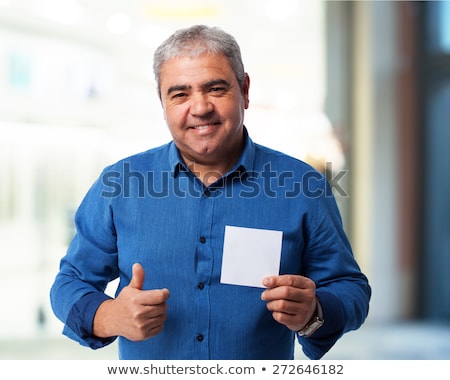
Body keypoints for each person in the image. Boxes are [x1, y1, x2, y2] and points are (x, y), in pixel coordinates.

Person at [50, 25, 371, 360]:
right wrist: (108, 316)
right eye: (180, 94)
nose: (200, 107)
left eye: (215, 89)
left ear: (244, 90)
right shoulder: (120, 185)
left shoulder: (304, 188)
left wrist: (315, 311)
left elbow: (350, 288)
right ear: (162, 102)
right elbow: (69, 282)